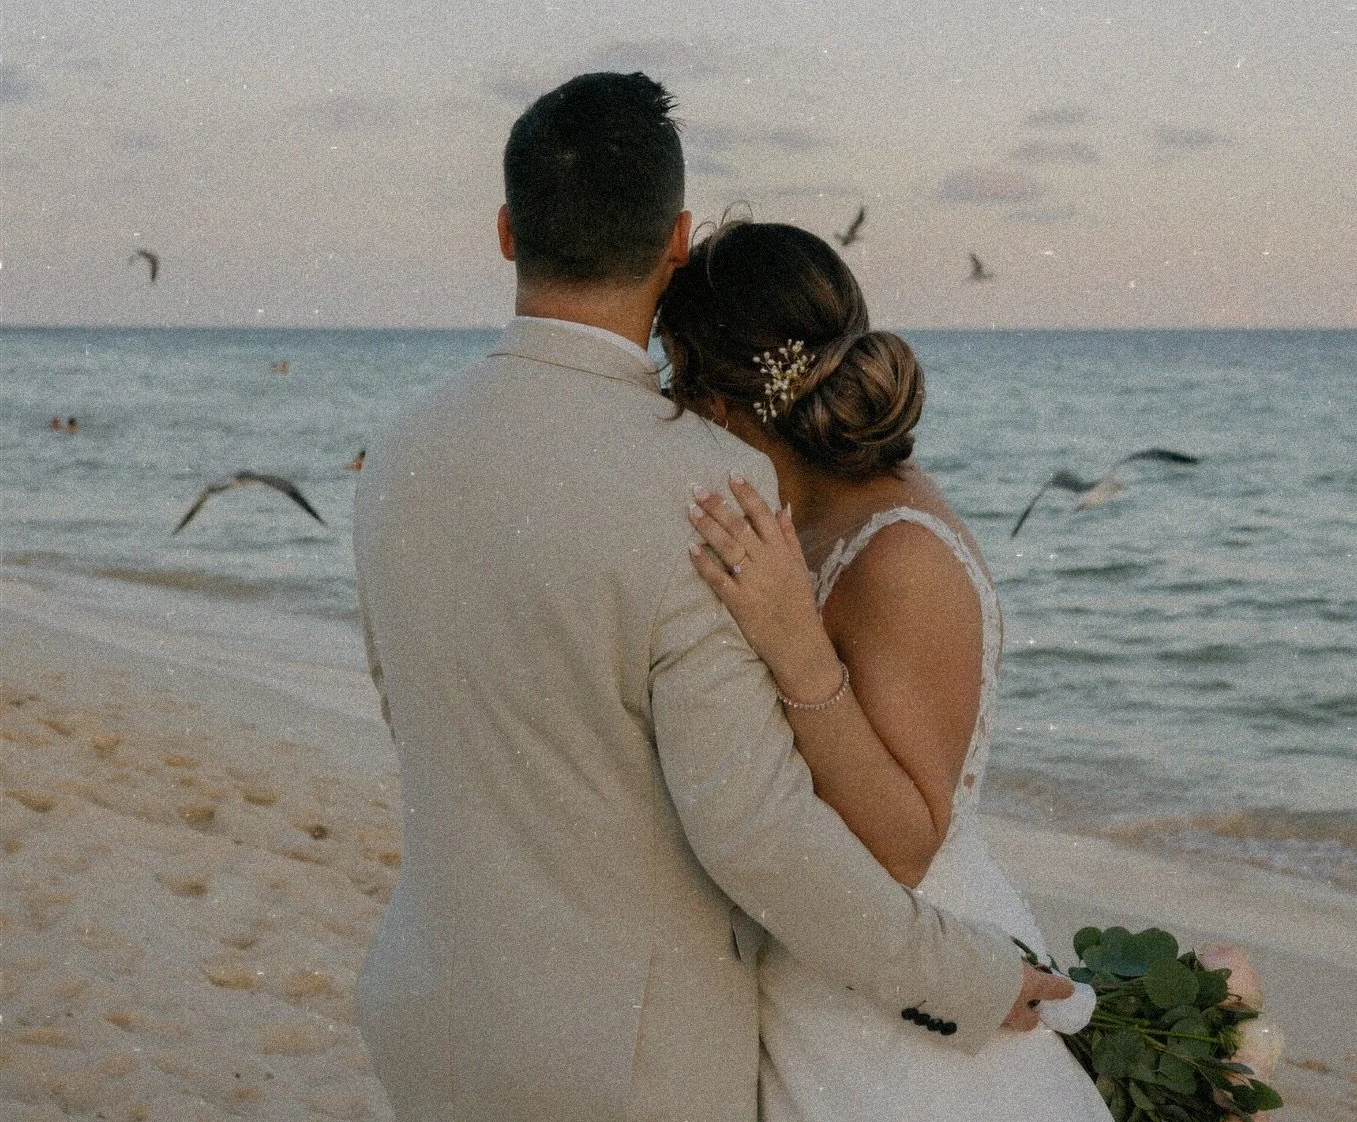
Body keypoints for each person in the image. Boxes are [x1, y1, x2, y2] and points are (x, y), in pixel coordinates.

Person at [353, 73, 1069, 1122]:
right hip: (628, 1064)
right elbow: (757, 834)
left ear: (507, 232)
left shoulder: (398, 453)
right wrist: (969, 980)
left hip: (430, 1011)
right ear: (677, 239)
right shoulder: (703, 497)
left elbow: (424, 718)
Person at [659, 217, 1111, 1121]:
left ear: (716, 398)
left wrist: (794, 640)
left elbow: (904, 843)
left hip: (909, 1008)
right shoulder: (793, 509)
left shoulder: (898, 553)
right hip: (818, 965)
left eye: (674, 373)